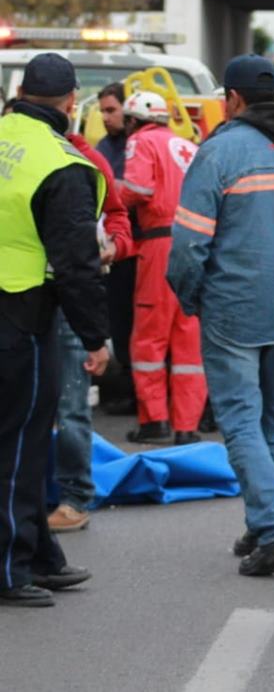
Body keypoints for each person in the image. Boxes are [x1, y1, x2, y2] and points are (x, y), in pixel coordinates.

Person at [166, 54, 274, 576]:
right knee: (272, 418)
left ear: (232, 99)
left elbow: (187, 242)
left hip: (234, 303)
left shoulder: (221, 151)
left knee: (240, 421)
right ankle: (260, 519)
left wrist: (188, 296)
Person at [0, 53, 107, 607]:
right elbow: (76, 262)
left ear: (20, 91)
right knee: (19, 443)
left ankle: (40, 552)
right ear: (71, 103)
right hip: (23, 311)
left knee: (24, 443)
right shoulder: (58, 162)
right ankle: (9, 569)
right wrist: (95, 338)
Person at [46, 120, 134, 533]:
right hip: (21, 298)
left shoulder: (85, 159)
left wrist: (112, 246)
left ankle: (74, 496)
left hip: (68, 301)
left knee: (70, 404)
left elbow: (118, 217)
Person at [120, 90, 207, 445]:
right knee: (188, 338)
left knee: (149, 336)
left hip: (158, 244)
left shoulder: (141, 141)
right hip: (196, 244)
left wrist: (110, 192)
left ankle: (154, 421)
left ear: (134, 120)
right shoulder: (187, 145)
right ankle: (187, 425)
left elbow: (138, 188)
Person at [95, 81, 139, 416]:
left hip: (144, 247)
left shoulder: (138, 144)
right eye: (102, 112)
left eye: (111, 110)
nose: (106, 117)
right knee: (119, 321)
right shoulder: (103, 148)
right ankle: (126, 388)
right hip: (116, 251)